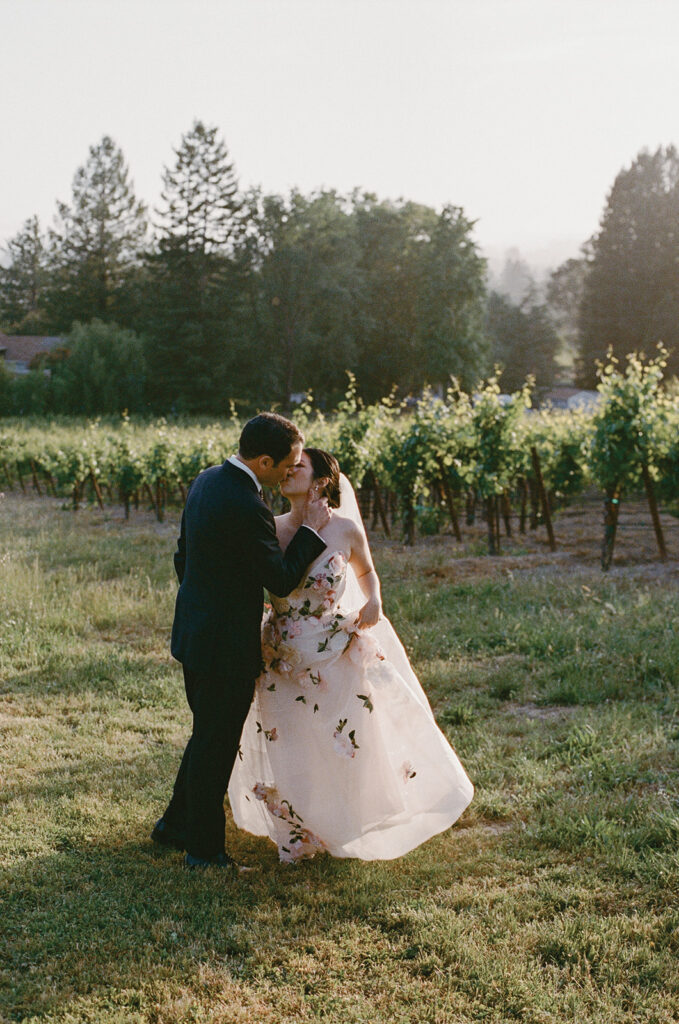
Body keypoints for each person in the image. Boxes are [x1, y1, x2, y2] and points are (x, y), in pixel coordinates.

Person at [228, 448, 473, 862]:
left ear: (322, 481)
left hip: (332, 650)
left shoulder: (345, 531)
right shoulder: (269, 527)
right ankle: (299, 832)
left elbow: (366, 570)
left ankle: (342, 822)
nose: (287, 473)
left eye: (298, 468)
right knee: (291, 742)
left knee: (340, 737)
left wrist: (374, 598)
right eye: (286, 467)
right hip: (282, 655)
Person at [152, 413, 331, 870]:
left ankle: (174, 826)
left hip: (195, 632)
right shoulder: (247, 503)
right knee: (216, 745)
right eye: (287, 464)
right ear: (265, 460)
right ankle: (205, 853)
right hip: (223, 645)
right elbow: (281, 579)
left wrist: (206, 597)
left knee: (206, 735)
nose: (291, 471)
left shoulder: (207, 479)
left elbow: (183, 554)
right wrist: (310, 530)